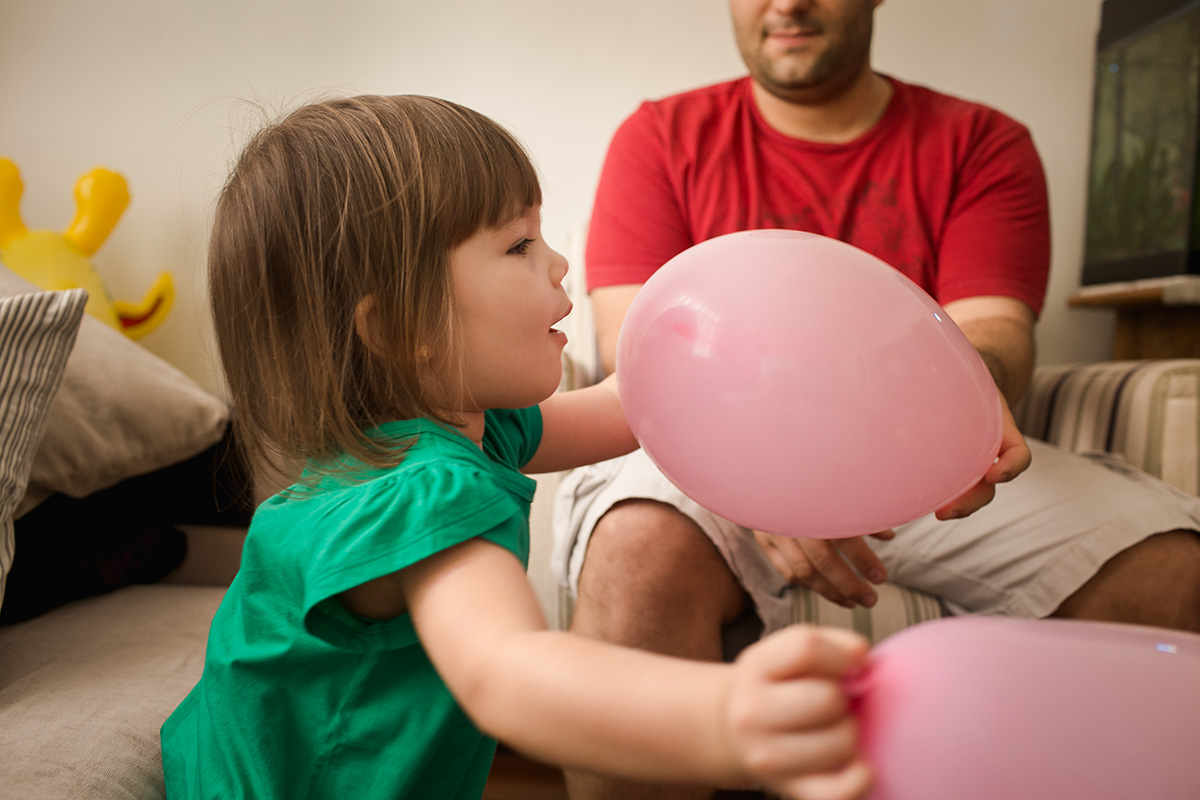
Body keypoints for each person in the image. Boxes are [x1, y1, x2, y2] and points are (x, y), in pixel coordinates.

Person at [552, 1, 1200, 798]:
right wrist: (754, 474)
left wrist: (979, 389)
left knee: (1173, 573)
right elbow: (632, 349)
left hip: (927, 472)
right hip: (700, 451)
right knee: (638, 547)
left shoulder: (981, 142)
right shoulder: (659, 138)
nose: (786, 2)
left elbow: (992, 332)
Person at [158, 94, 877, 800]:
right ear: (404, 328)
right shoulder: (417, 496)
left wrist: (748, 359)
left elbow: (632, 406)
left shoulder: (472, 427)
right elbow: (510, 673)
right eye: (519, 244)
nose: (560, 262)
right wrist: (727, 716)